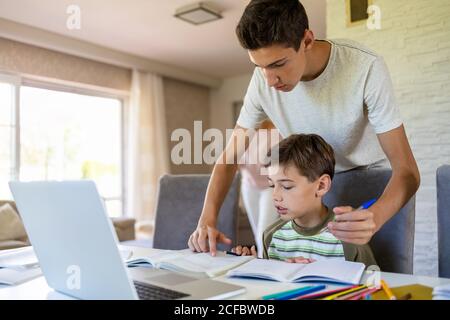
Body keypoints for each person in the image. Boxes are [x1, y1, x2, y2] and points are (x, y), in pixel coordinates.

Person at [188, 0, 420, 256]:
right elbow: (229, 158)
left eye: (278, 64)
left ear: (307, 40)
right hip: (312, 186)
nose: (270, 80)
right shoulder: (262, 82)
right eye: (259, 66)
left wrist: (376, 215)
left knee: (380, 273)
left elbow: (407, 171)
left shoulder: (365, 67)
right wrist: (206, 219)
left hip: (375, 189)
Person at [232, 134, 377, 267]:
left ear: (321, 185)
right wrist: (254, 267)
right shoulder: (270, 236)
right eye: (272, 185)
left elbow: (373, 286)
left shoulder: (349, 236)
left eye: (287, 186)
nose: (275, 195)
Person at [238, 119, 280, 257]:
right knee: (257, 234)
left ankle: (266, 267)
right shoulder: (245, 131)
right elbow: (236, 160)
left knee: (264, 233)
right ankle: (262, 263)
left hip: (270, 187)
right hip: (249, 186)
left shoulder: (279, 130)